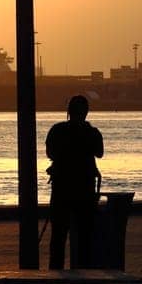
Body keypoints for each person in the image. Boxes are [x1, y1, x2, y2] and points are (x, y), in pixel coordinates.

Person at [45, 94, 103, 269]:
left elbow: (50, 153)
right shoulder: (92, 132)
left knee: (58, 235)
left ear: (68, 111)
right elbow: (99, 153)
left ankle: (56, 271)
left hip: (62, 187)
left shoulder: (57, 130)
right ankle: (83, 270)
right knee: (84, 235)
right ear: (86, 112)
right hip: (84, 188)